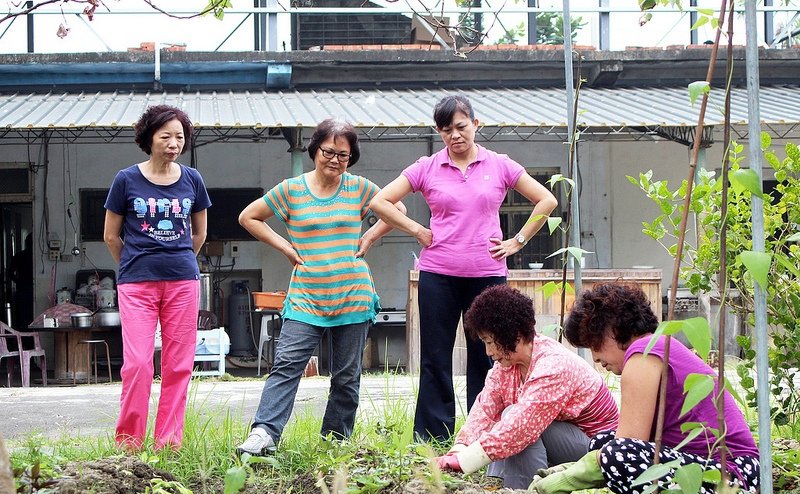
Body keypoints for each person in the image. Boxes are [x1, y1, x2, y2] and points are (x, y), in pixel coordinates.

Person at [370, 94, 559, 442]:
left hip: (487, 278)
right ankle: (432, 439)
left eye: (460, 126)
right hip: (438, 276)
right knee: (435, 358)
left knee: (487, 360)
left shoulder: (499, 164)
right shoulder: (426, 166)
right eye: (445, 130)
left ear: (475, 124)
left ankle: (483, 434)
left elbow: (547, 199)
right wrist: (416, 229)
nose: (454, 135)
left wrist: (518, 240)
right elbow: (379, 201)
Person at [534, 283, 759, 494]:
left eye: (594, 345)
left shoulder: (643, 354)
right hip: (733, 485)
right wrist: (568, 468)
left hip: (731, 486)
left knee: (619, 456)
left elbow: (627, 450)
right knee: (604, 444)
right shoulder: (660, 346)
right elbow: (622, 443)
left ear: (612, 330)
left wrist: (564, 481)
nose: (596, 359)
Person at [237, 118, 406, 456]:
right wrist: (286, 247)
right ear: (315, 150)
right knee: (286, 364)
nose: (335, 160)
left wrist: (370, 236)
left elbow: (397, 209)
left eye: (343, 155)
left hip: (352, 294)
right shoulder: (291, 190)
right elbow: (248, 217)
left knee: (346, 376)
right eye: (329, 151)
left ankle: (335, 442)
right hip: (306, 296)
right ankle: (265, 433)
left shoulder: (359, 188)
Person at [435, 284, 619, 489]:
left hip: (599, 451)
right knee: (508, 418)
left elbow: (522, 426)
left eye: (489, 341)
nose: (487, 352)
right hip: (567, 443)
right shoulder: (505, 367)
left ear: (514, 335)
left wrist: (466, 461)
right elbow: (485, 411)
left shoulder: (553, 365)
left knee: (516, 421)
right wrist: (459, 449)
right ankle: (499, 487)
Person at [104, 104, 210, 451]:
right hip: (136, 283)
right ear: (148, 138)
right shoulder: (126, 179)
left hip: (182, 281)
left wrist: (177, 261)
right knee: (136, 364)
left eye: (179, 137)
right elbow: (111, 236)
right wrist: (136, 264)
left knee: (178, 365)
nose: (173, 143)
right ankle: (129, 443)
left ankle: (168, 443)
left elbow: (198, 235)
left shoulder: (193, 179)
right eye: (165, 136)